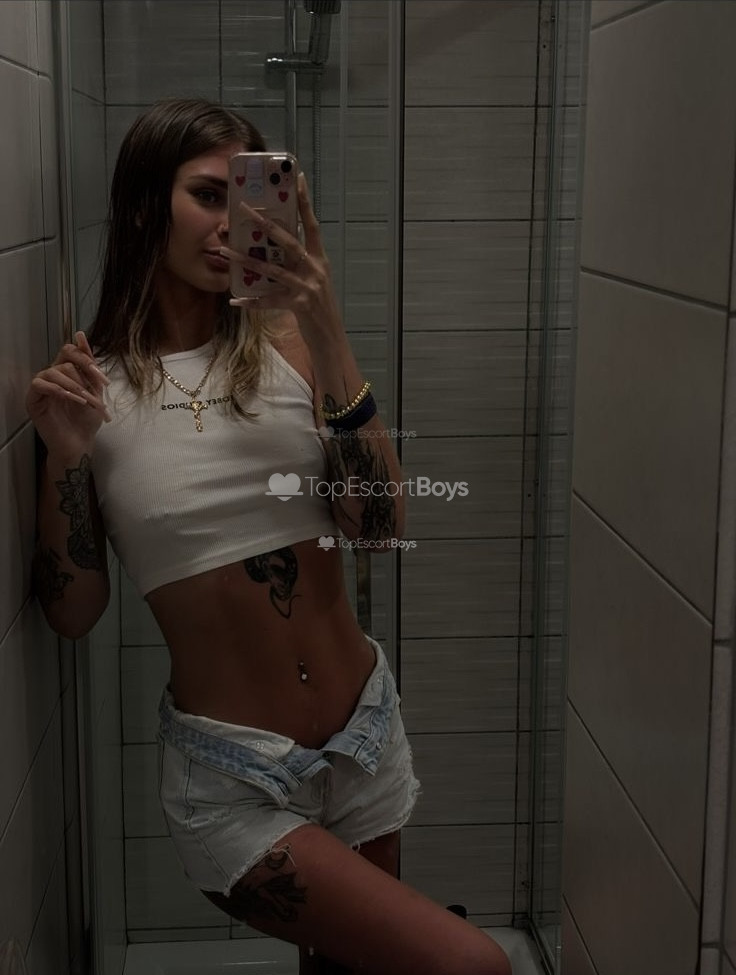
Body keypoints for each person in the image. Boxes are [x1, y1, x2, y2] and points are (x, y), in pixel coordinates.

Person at [26, 98, 511, 975]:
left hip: (364, 734)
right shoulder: (94, 389)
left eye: (247, 200)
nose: (230, 224)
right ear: (143, 204)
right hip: (234, 776)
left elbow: (381, 528)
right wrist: (65, 457)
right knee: (473, 964)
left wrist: (323, 320)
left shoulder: (290, 346)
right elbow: (72, 611)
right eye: (207, 195)